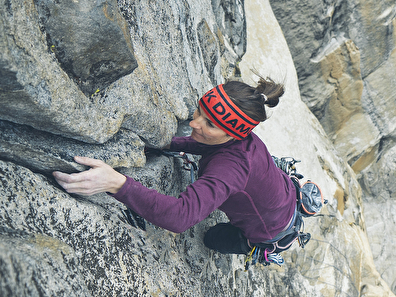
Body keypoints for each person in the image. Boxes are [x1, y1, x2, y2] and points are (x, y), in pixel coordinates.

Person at [53, 77, 306, 264]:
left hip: (271, 229)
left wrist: (117, 183)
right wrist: (163, 142)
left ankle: (258, 245)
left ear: (232, 134)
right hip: (281, 194)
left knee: (212, 238)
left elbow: (179, 217)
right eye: (199, 110)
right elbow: (207, 145)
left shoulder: (231, 168)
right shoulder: (242, 137)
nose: (194, 123)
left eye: (209, 124)